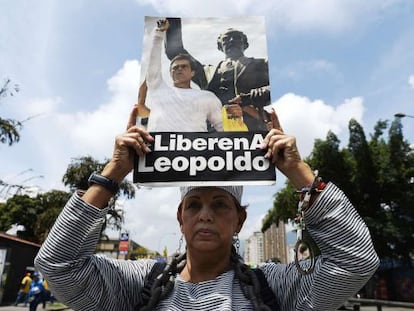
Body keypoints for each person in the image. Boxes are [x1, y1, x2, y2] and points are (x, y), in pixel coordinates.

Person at [34, 109, 379, 310]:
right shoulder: (136, 282)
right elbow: (57, 265)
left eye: (219, 204)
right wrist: (112, 175)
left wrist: (298, 172)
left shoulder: (276, 285)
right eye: (194, 204)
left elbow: (356, 261)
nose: (205, 214)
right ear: (180, 217)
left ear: (240, 219)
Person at [165, 17, 271, 131]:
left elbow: (273, 88)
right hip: (214, 132)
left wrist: (249, 98)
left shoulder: (261, 64)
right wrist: (171, 20)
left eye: (236, 38)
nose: (231, 41)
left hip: (251, 128)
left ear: (245, 44)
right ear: (220, 46)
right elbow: (175, 51)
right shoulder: (207, 71)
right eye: (226, 39)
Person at [144, 19, 223, 132]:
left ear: (193, 73)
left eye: (184, 66)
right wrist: (158, 34)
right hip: (158, 147)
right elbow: (153, 65)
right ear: (170, 73)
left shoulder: (207, 97)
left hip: (195, 147)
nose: (179, 69)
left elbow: (221, 128)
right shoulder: (158, 89)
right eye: (175, 68)